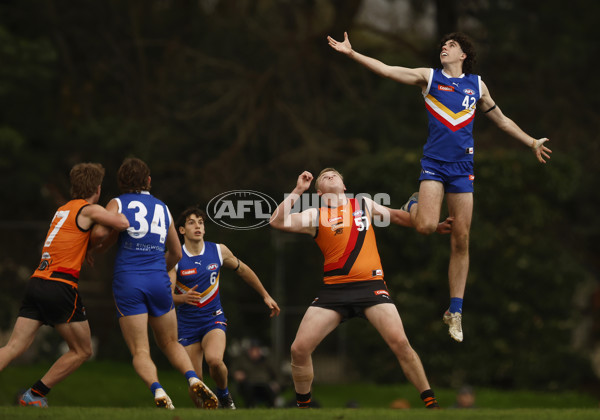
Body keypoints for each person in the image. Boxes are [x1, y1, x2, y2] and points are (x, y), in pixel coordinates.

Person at [327, 31, 552, 342]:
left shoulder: (477, 85)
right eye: (444, 44)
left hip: (463, 169)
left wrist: (531, 142)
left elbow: (501, 119)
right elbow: (389, 69)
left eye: (452, 45)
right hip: (434, 166)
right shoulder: (429, 78)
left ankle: (455, 310)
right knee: (426, 227)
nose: (444, 47)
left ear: (464, 55)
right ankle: (412, 204)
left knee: (461, 237)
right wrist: (353, 54)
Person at [269, 169, 453, 409]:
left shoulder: (363, 203)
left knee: (400, 342)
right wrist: (298, 191)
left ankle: (431, 403)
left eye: (335, 174)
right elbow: (276, 221)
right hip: (334, 291)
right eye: (325, 177)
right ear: (320, 192)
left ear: (344, 186)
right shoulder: (316, 214)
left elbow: (398, 217)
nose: (330, 176)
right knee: (299, 349)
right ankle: (304, 409)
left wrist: (433, 224)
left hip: (371, 286)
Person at [0, 163, 130, 407]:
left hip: (37, 281)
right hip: (60, 285)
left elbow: (73, 239)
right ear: (98, 189)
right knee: (82, 351)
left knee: (13, 346)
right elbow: (121, 223)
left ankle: (33, 396)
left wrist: (86, 249)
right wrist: (118, 209)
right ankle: (34, 396)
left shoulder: (62, 210)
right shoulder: (89, 209)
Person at [92, 157, 217, 409]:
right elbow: (176, 253)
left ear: (121, 182)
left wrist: (96, 245)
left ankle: (158, 390)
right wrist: (159, 268)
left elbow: (100, 235)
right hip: (158, 280)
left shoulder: (117, 202)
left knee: (140, 350)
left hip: (129, 280)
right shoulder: (162, 207)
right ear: (148, 181)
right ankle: (193, 378)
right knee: (171, 343)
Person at [169, 207, 280, 409]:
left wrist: (265, 295)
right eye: (192, 222)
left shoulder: (218, 251)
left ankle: (224, 395)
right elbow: (166, 297)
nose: (198, 226)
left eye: (201, 222)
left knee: (214, 360)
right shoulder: (175, 257)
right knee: (197, 383)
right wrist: (182, 298)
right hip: (187, 325)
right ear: (182, 230)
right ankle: (205, 412)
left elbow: (244, 270)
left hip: (213, 319)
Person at [231, 339, 282, 408]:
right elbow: (233, 370)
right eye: (252, 350)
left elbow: (277, 374)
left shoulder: (267, 360)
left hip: (264, 385)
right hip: (248, 384)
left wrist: (277, 383)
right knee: (247, 388)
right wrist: (237, 374)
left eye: (256, 350)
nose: (254, 352)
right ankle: (250, 407)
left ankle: (272, 407)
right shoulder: (242, 360)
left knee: (269, 389)